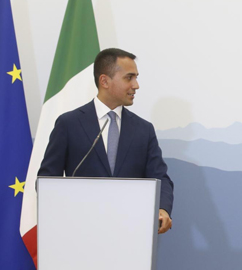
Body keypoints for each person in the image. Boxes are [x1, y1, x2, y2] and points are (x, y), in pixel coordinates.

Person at [38, 48, 174, 234]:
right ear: (105, 81)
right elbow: (46, 180)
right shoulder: (69, 124)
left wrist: (163, 209)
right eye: (129, 78)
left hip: (130, 232)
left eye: (136, 77)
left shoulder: (143, 129)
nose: (136, 85)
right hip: (78, 231)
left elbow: (160, 177)